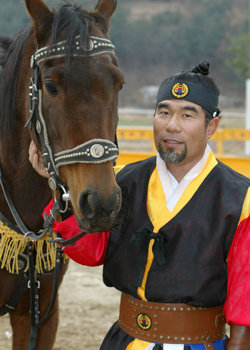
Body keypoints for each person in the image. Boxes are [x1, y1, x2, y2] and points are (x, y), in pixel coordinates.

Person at [29, 62, 250, 350]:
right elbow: (90, 249)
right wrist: (60, 186)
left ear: (211, 127)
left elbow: (245, 298)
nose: (172, 125)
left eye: (187, 115)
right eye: (164, 112)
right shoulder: (125, 181)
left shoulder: (239, 199)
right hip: (125, 340)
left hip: (200, 344)